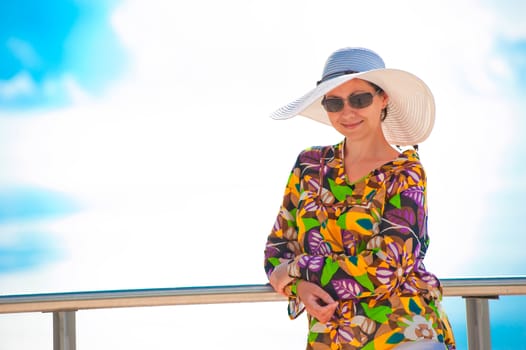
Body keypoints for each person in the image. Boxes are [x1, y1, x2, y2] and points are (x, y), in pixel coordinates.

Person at [263, 47, 456, 350]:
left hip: (403, 335)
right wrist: (300, 287)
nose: (347, 112)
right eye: (334, 102)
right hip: (330, 340)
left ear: (383, 99)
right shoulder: (309, 165)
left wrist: (297, 268)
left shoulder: (406, 172)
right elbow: (277, 252)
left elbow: (387, 268)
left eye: (360, 99)